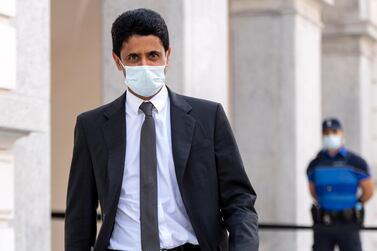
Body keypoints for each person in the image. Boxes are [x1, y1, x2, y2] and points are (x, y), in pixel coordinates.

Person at [65, 8, 259, 251]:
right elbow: (79, 215)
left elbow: (239, 200)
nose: (145, 65)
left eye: (153, 55)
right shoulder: (91, 127)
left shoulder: (208, 118)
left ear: (167, 56)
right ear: (117, 60)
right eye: (134, 57)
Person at [307, 118, 374, 251]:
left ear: (341, 133)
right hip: (323, 223)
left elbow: (369, 190)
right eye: (326, 132)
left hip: (348, 224)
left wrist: (356, 204)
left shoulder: (356, 163)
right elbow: (313, 192)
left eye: (334, 131)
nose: (330, 135)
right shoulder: (315, 165)